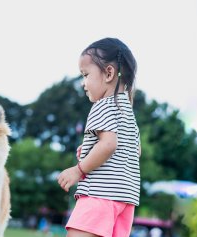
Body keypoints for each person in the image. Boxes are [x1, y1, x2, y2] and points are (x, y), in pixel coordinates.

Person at [57, 37, 141, 237]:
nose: (83, 84)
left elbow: (109, 144)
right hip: (125, 201)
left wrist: (79, 169)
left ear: (109, 73)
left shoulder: (102, 105)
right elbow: (134, 151)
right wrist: (90, 151)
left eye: (85, 75)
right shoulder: (127, 112)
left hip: (99, 196)